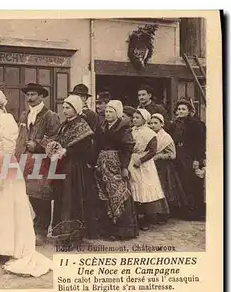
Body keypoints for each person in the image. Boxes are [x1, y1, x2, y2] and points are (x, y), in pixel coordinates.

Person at [0, 86, 53, 277]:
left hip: (2, 167)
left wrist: (1, 173)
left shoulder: (5, 120)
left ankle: (5, 248)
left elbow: (8, 147)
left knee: (3, 206)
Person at [41, 95, 100, 240]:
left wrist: (67, 151)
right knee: (61, 197)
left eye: (68, 108)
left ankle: (73, 233)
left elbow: (86, 149)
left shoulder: (82, 125)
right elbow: (60, 141)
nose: (65, 111)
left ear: (76, 109)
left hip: (75, 168)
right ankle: (62, 231)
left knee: (71, 198)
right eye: (64, 108)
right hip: (63, 165)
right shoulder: (64, 124)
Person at [15, 83, 61, 245]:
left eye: (33, 95)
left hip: (43, 161)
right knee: (29, 193)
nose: (29, 98)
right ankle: (36, 225)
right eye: (27, 95)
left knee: (42, 195)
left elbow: (56, 138)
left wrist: (39, 145)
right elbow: (20, 136)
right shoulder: (24, 114)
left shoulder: (50, 116)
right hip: (26, 160)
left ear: (41, 96)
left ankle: (41, 230)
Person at [93, 100, 138, 241]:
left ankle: (123, 230)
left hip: (116, 166)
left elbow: (127, 149)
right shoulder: (102, 126)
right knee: (104, 194)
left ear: (117, 113)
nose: (107, 114)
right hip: (102, 166)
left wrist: (124, 167)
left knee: (119, 195)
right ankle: (107, 229)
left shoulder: (124, 129)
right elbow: (97, 145)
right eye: (106, 111)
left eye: (111, 111)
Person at [128, 109, 170, 229]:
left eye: (137, 118)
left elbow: (153, 151)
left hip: (144, 164)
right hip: (132, 160)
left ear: (144, 119)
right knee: (134, 188)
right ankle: (136, 217)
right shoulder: (131, 131)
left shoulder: (150, 133)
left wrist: (141, 160)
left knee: (145, 189)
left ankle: (146, 219)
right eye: (134, 117)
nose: (134, 120)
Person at [168, 99, 206, 221]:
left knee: (192, 183)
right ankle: (183, 211)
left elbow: (200, 143)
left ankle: (196, 211)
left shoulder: (196, 124)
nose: (180, 111)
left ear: (189, 111)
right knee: (181, 183)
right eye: (179, 109)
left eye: (183, 109)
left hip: (191, 155)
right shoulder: (174, 124)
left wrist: (197, 159)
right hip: (178, 155)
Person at [148, 113, 188, 218]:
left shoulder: (166, 138)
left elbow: (173, 155)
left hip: (164, 167)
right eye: (151, 123)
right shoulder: (149, 135)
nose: (152, 125)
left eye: (155, 123)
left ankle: (165, 213)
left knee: (165, 189)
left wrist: (160, 156)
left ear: (162, 124)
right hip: (152, 165)